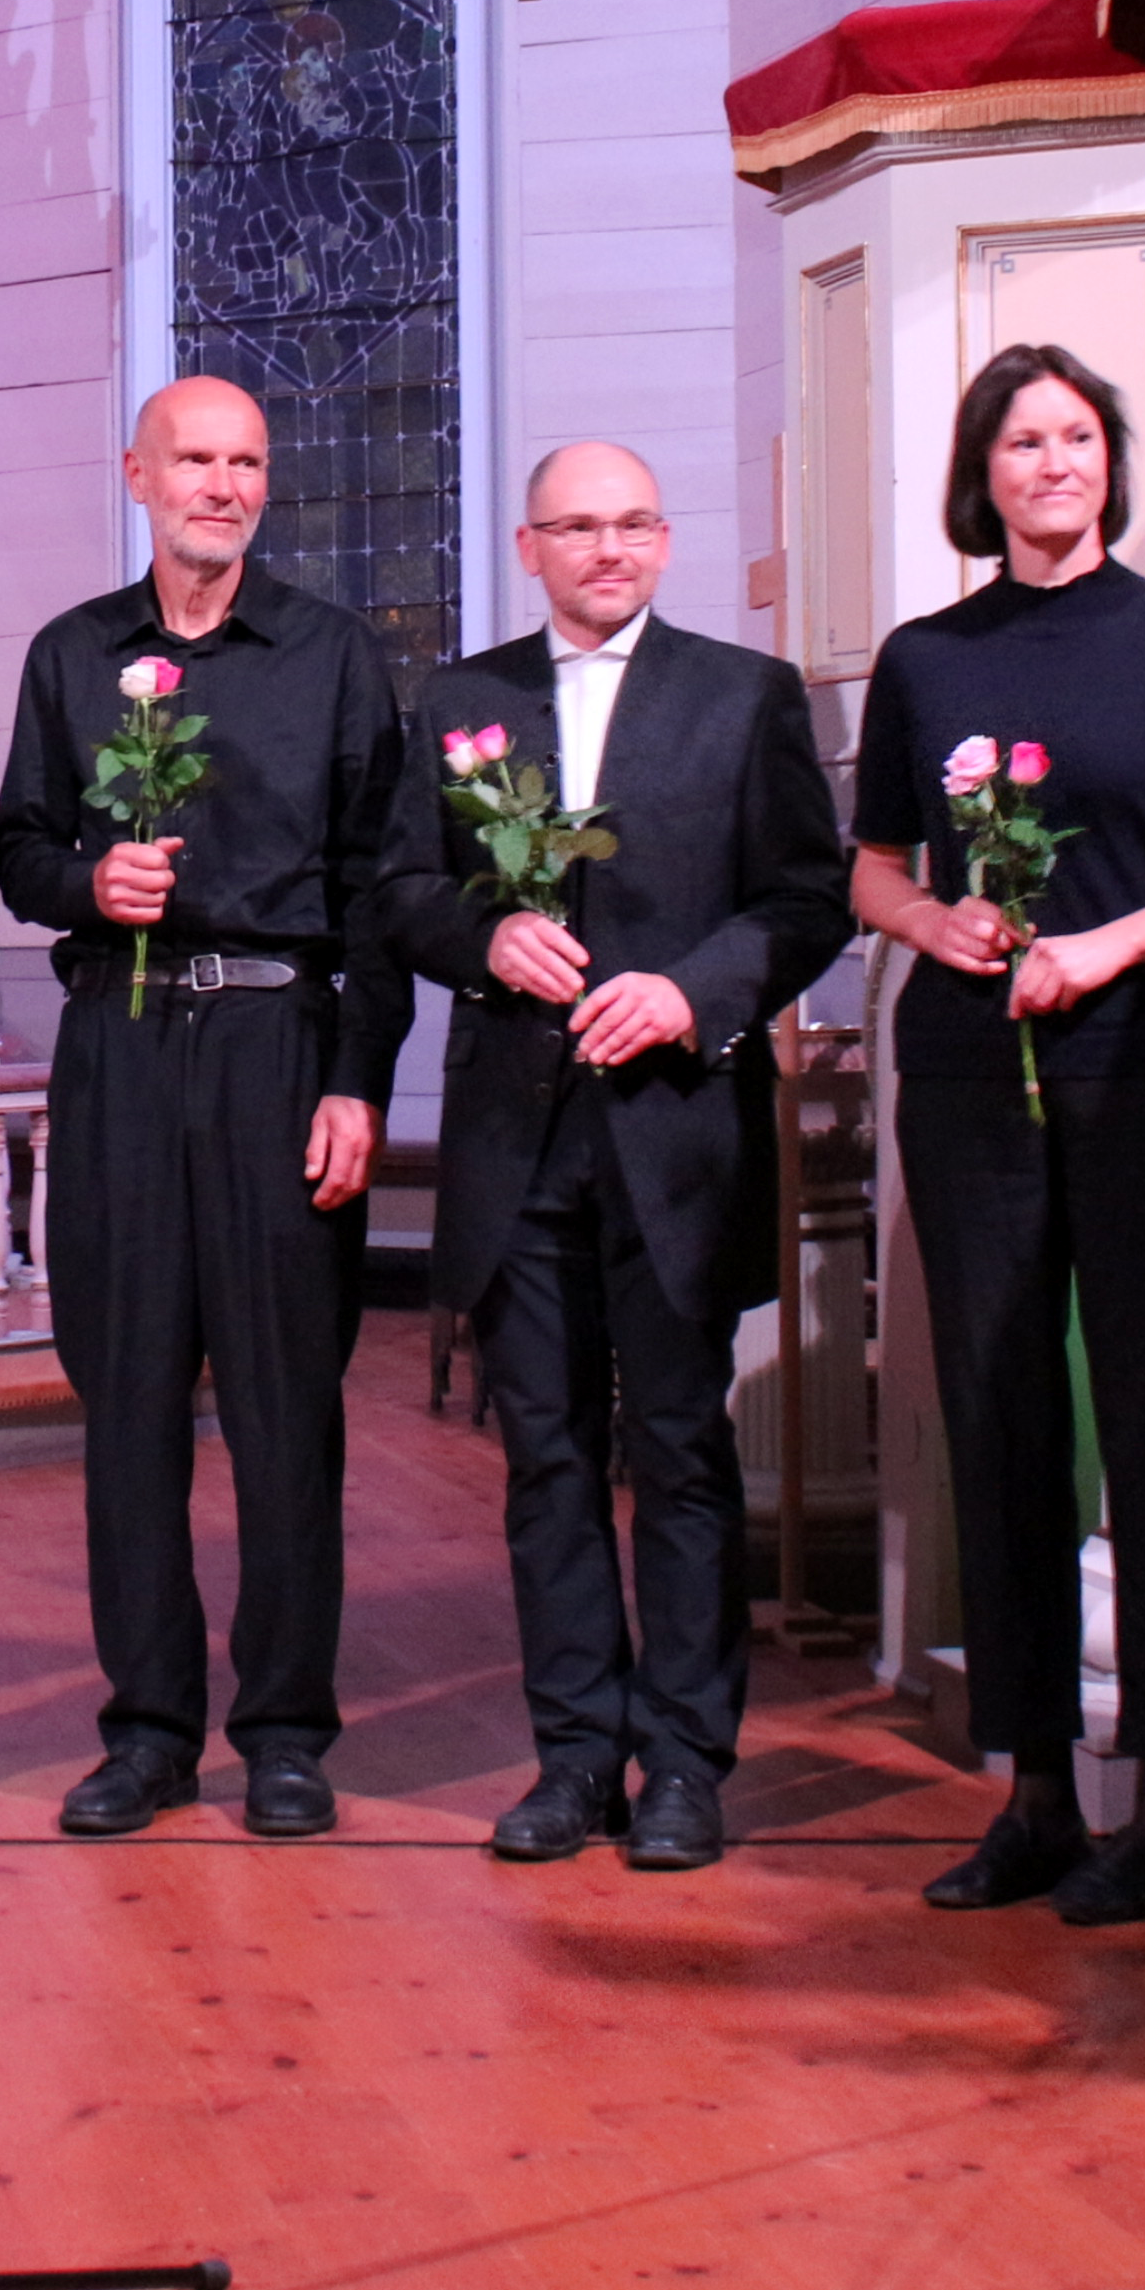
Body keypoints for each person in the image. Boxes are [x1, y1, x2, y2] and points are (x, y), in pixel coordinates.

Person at [848, 343, 1145, 1927]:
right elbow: (869, 867)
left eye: (1077, 436)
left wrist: (1115, 943)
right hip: (969, 1070)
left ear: (1110, 462)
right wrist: (934, 918)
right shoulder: (925, 655)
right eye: (1022, 440)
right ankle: (1031, 1784)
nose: (1051, 462)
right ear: (984, 469)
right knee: (1000, 1419)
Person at [371, 442, 851, 1873]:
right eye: (575, 527)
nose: (606, 549)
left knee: (684, 1453)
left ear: (661, 537)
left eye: (632, 522)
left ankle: (687, 1761)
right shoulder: (463, 698)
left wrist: (691, 992)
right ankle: (574, 1756)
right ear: (528, 547)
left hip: (674, 1124)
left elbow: (807, 899)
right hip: (518, 1135)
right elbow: (398, 889)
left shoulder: (741, 694)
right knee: (547, 1459)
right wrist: (481, 934)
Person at [0, 374, 410, 1840]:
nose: (220, 485)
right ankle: (148, 1725)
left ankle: (285, 1728)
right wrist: (86, 886)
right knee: (128, 1405)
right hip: (118, 1044)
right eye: (193, 461)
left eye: (244, 463)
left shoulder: (333, 656)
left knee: (287, 1408)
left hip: (277, 1044)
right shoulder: (69, 655)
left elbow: (378, 890)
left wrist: (358, 1076)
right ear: (138, 476)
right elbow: (19, 849)